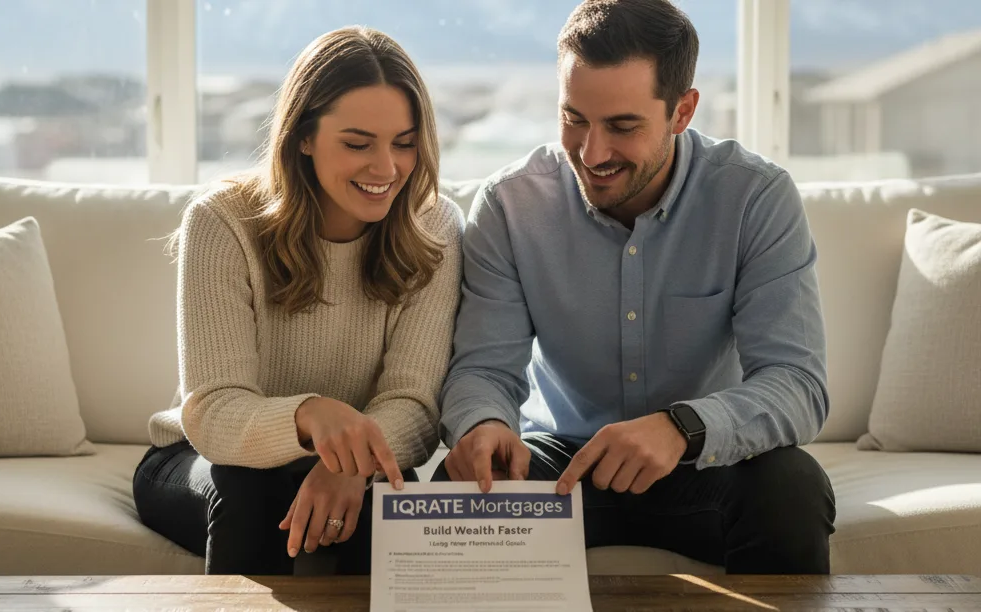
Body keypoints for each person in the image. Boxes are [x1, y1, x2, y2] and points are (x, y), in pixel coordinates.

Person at [434, 0, 836, 574]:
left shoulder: (754, 198)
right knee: (458, 488)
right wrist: (484, 424)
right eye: (574, 118)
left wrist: (682, 427)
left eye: (622, 126)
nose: (591, 153)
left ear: (682, 111)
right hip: (561, 466)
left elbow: (798, 384)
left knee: (792, 485)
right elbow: (482, 370)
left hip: (703, 463)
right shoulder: (511, 204)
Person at [133, 26, 464, 576]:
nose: (386, 169)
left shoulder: (434, 225)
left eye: (404, 143)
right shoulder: (221, 221)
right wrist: (313, 415)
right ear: (303, 136)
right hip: (203, 459)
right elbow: (213, 412)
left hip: (346, 465)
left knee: (383, 515)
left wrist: (352, 465)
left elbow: (414, 405)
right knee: (249, 493)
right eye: (358, 143)